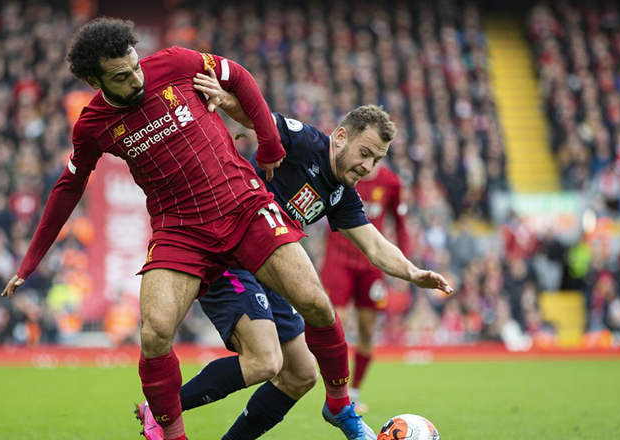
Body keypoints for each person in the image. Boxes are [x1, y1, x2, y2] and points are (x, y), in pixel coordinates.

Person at [0, 17, 408, 440]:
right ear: (94, 79)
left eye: (136, 65)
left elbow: (239, 76)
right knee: (156, 332)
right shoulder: (92, 126)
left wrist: (268, 144)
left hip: (243, 207)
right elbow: (68, 187)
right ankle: (169, 429)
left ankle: (341, 407)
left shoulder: (176, 63)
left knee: (314, 312)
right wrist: (30, 263)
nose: (137, 79)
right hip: (179, 229)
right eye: (122, 77)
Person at [135, 72, 452, 440]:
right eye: (364, 153)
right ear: (341, 137)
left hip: (271, 268)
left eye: (376, 160)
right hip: (229, 255)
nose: (367, 167)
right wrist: (225, 99)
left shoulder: (341, 194)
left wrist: (413, 272)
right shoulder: (306, 142)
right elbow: (259, 119)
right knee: (264, 361)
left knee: (301, 374)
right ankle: (161, 409)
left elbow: (375, 245)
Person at [320, 163, 409, 413]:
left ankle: (355, 393)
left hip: (372, 264)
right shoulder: (341, 172)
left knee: (368, 329)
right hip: (338, 259)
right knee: (337, 323)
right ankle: (337, 392)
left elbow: (400, 225)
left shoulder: (391, 183)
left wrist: (405, 265)